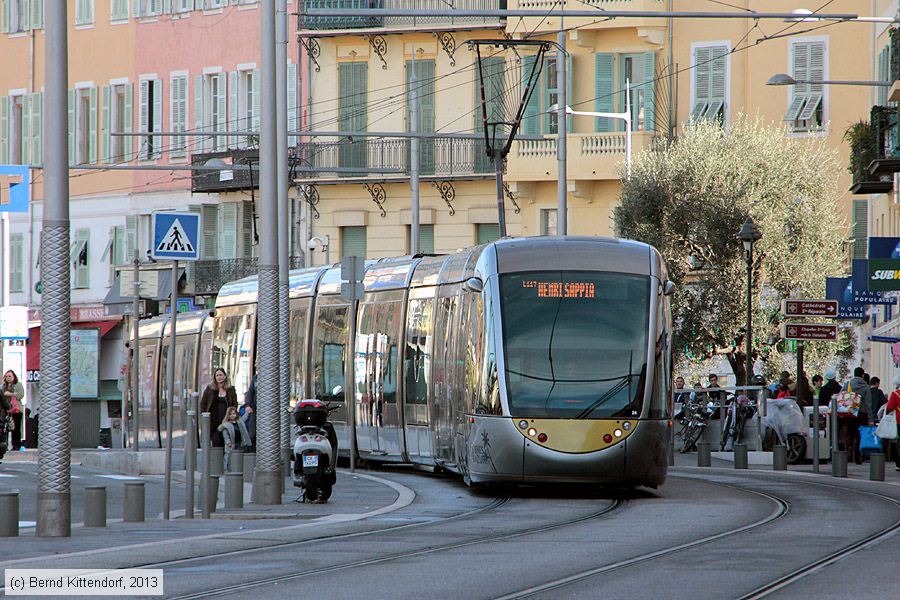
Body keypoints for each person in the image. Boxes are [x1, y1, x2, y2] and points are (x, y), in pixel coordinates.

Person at [841, 366, 873, 465]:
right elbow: (868, 403)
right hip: (862, 413)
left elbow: (842, 396)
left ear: (854, 374)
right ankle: (858, 456)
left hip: (850, 412)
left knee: (850, 433)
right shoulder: (866, 387)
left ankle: (848, 451)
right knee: (860, 435)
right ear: (863, 375)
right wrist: (870, 418)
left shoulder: (848, 384)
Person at [200, 368, 237, 448]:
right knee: (215, 441)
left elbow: (234, 404)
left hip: (226, 420)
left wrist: (232, 416)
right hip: (213, 421)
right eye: (217, 375)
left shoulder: (231, 389)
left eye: (220, 375)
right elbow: (203, 403)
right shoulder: (210, 389)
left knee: (226, 441)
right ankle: (216, 459)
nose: (219, 377)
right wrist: (204, 415)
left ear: (225, 376)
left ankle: (225, 460)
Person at [217, 405, 252, 471]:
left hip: (240, 442)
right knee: (229, 456)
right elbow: (226, 435)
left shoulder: (239, 421)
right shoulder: (226, 425)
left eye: (233, 413)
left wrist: (247, 412)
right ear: (228, 415)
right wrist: (228, 442)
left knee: (239, 455)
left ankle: (238, 468)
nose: (232, 415)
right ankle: (227, 468)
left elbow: (245, 417)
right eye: (230, 414)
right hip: (232, 444)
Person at [1, 370, 25, 451]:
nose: (8, 378)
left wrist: (11, 394)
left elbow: (20, 395)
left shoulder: (18, 385)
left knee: (16, 428)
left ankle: (16, 445)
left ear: (14, 377)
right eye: (6, 376)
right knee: (5, 428)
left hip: (16, 409)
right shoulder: (4, 386)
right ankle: (5, 445)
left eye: (10, 376)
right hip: (6, 409)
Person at [885, 374, 900, 472]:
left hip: (899, 421)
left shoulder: (895, 394)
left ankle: (899, 464)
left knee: (899, 443)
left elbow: (890, 407)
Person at [241, 373, 257, 452]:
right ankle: (252, 455)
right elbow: (250, 392)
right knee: (252, 435)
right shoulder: (255, 378)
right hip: (255, 410)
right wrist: (247, 405)